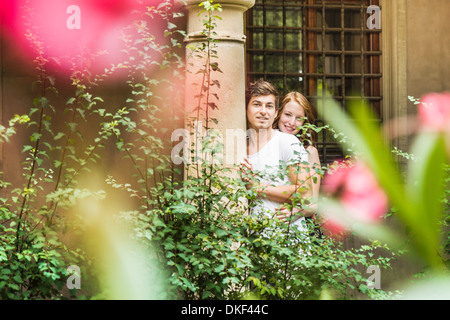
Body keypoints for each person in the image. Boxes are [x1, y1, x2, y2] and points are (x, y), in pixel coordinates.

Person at [240, 80, 312, 231]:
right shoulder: (239, 147)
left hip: (287, 239)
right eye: (257, 104)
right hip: (253, 241)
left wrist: (256, 187)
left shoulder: (288, 142)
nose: (263, 111)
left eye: (269, 106)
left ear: (276, 113)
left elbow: (304, 191)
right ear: (245, 108)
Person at [272, 91, 322, 226]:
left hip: (297, 225)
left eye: (299, 118)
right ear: (278, 113)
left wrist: (295, 213)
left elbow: (313, 203)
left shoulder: (309, 152)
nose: (292, 122)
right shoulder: (265, 143)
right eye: (288, 115)